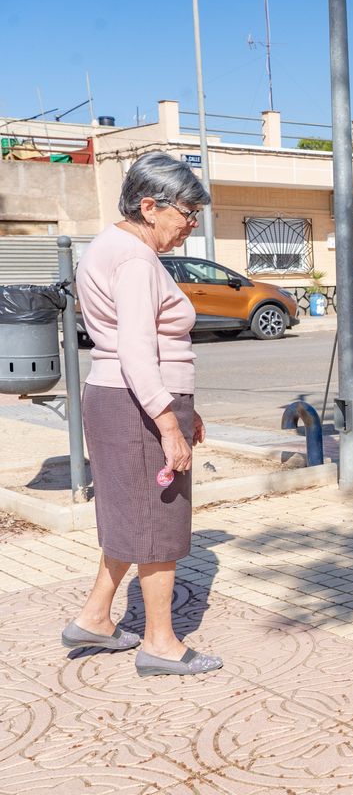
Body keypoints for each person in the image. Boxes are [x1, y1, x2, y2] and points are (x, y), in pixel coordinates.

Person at [61, 152, 223, 677]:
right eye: (186, 213)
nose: (191, 225)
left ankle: (95, 618)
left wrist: (182, 408)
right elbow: (135, 350)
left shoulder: (108, 247)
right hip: (136, 404)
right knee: (157, 521)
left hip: (127, 400)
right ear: (149, 206)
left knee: (133, 515)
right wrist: (167, 421)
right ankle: (160, 644)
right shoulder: (134, 259)